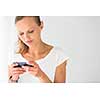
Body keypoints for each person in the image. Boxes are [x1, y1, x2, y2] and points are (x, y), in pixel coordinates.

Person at [8, 16, 68, 83]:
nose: (26, 38)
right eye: (21, 33)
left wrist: (41, 75)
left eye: (30, 31)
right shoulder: (14, 56)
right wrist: (13, 79)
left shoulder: (58, 55)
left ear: (41, 25)